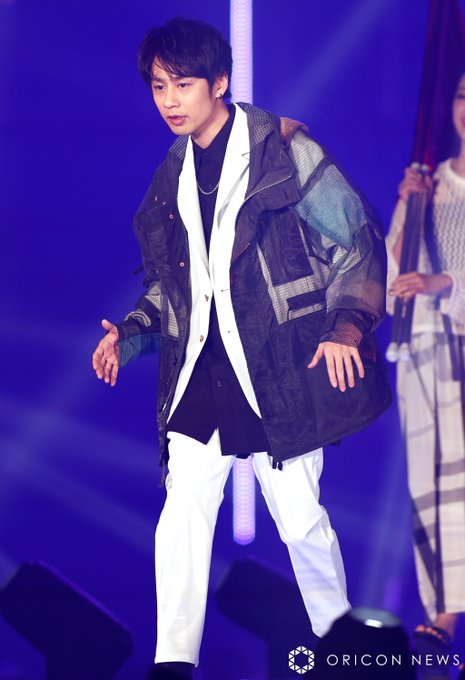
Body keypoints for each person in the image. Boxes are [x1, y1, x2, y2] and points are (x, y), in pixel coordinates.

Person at [92, 17, 390, 680]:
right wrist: (130, 336)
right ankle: (174, 662)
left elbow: (357, 238)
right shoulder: (169, 178)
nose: (169, 100)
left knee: (299, 518)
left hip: (277, 364)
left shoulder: (282, 149)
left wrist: (345, 327)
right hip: (203, 365)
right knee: (183, 513)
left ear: (219, 82)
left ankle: (343, 647)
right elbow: (173, 287)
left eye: (183, 84)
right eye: (159, 86)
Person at [387, 72, 465, 658]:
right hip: (423, 350)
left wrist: (445, 283)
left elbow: (435, 280)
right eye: (462, 95)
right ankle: (443, 610)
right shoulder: (429, 185)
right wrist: (406, 205)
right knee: (427, 483)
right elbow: (395, 272)